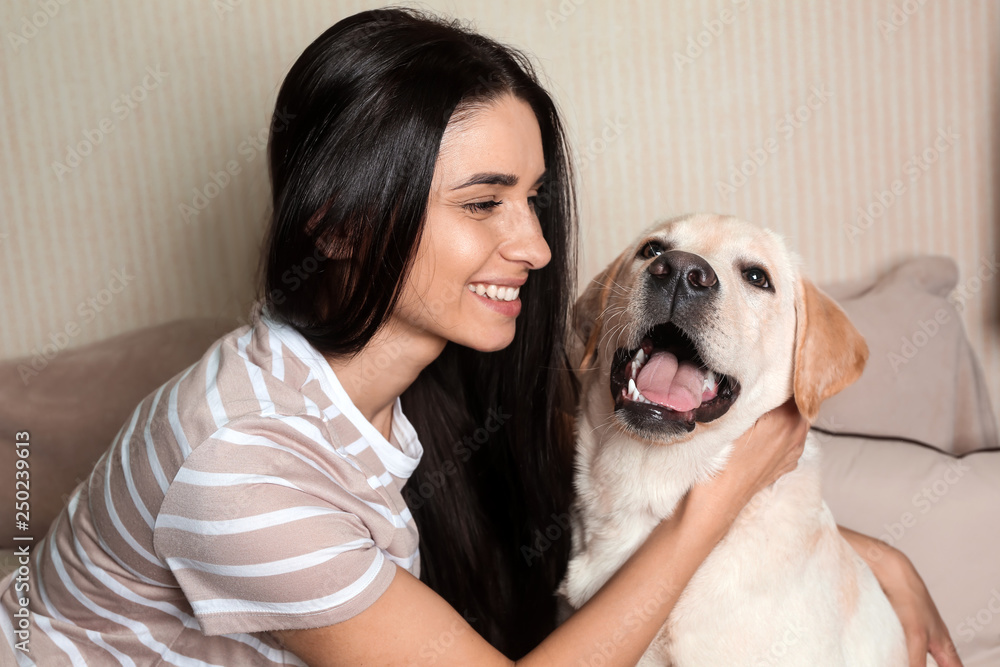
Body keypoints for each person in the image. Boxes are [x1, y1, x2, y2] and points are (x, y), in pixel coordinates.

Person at [1, 7, 960, 666]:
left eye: (532, 200)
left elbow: (625, 494)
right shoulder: (236, 465)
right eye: (484, 203)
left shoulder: (426, 377)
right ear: (337, 223)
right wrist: (720, 502)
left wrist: (882, 560)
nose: (538, 246)